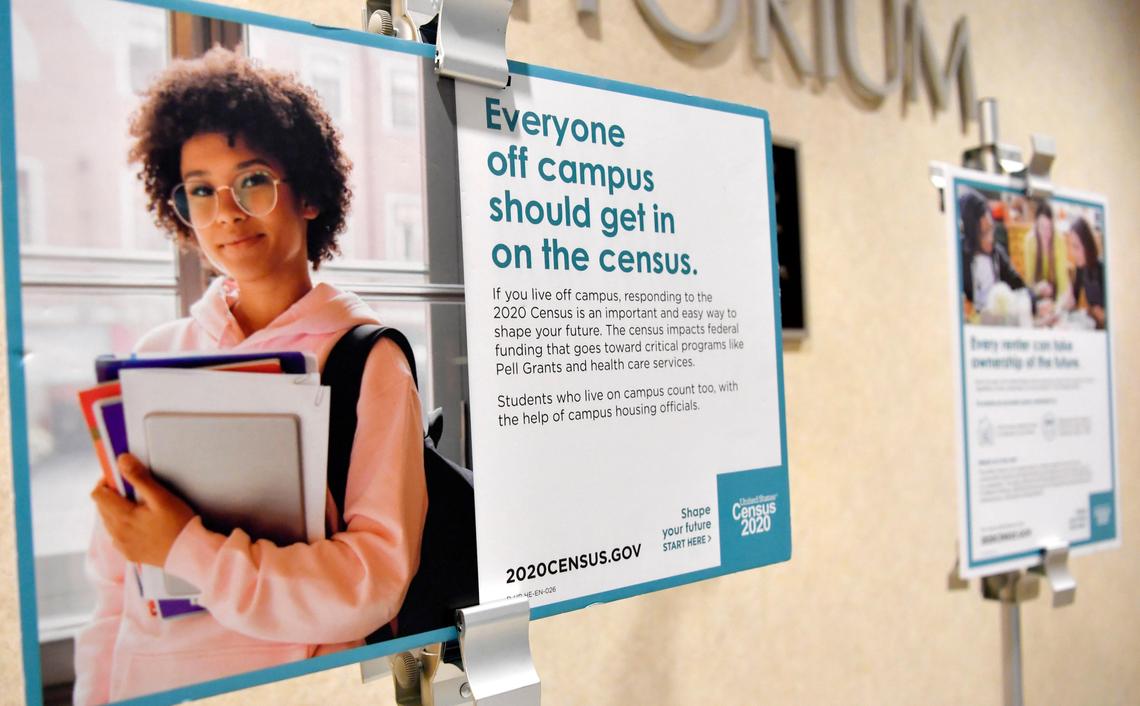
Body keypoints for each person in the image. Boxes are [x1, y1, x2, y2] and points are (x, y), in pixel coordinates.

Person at [75, 47, 427, 704]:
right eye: (200, 191)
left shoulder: (365, 361)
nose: (227, 211)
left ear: (311, 193)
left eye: (254, 179)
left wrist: (186, 548)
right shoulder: (155, 355)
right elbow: (114, 593)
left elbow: (373, 580)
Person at [958, 187, 1032, 313]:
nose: (990, 239)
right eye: (983, 233)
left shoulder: (997, 253)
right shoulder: (959, 257)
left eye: (991, 229)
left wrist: (1034, 300)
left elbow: (1018, 285)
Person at [1059, 216, 1107, 329]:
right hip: (1094, 326)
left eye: (1076, 247)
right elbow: (1073, 299)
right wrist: (1063, 304)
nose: (1072, 253)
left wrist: (1101, 314)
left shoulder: (1102, 269)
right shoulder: (1081, 267)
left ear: (1087, 245)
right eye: (1071, 246)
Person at [1022, 199, 1070, 303]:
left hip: (1056, 293)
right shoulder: (1030, 241)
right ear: (1036, 225)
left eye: (1049, 228)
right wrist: (1039, 290)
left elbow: (1062, 279)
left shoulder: (1059, 240)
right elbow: (1029, 280)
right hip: (1037, 294)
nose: (1046, 233)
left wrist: (1058, 305)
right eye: (1042, 227)